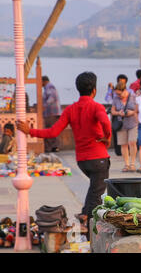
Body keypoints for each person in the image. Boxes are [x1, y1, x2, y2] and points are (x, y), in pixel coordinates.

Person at [16, 72, 111, 236]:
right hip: (98, 159)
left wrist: (29, 130)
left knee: (94, 189)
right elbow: (105, 121)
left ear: (78, 89)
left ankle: (84, 215)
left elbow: (53, 132)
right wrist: (107, 137)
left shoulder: (70, 109)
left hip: (82, 161)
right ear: (94, 91)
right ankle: (89, 229)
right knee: (97, 194)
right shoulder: (96, 107)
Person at [111, 81, 138, 173]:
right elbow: (113, 111)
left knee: (132, 142)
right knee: (123, 144)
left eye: (120, 93)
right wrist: (119, 113)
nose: (119, 96)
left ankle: (132, 164)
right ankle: (126, 164)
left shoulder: (133, 97)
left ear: (124, 90)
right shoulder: (115, 99)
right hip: (121, 123)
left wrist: (132, 112)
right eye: (117, 94)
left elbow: (138, 109)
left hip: (132, 123)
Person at [105, 74, 134, 157]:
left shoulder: (130, 91)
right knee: (116, 131)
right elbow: (108, 100)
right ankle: (118, 151)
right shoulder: (114, 91)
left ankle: (128, 150)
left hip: (128, 115)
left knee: (129, 134)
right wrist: (110, 89)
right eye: (120, 81)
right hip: (117, 115)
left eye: (123, 82)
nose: (121, 83)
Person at [42, 76, 62, 153]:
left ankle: (53, 147)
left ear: (44, 81)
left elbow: (52, 97)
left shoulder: (50, 87)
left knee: (51, 129)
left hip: (52, 112)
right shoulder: (48, 87)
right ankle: (53, 147)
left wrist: (45, 105)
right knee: (51, 129)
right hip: (51, 112)